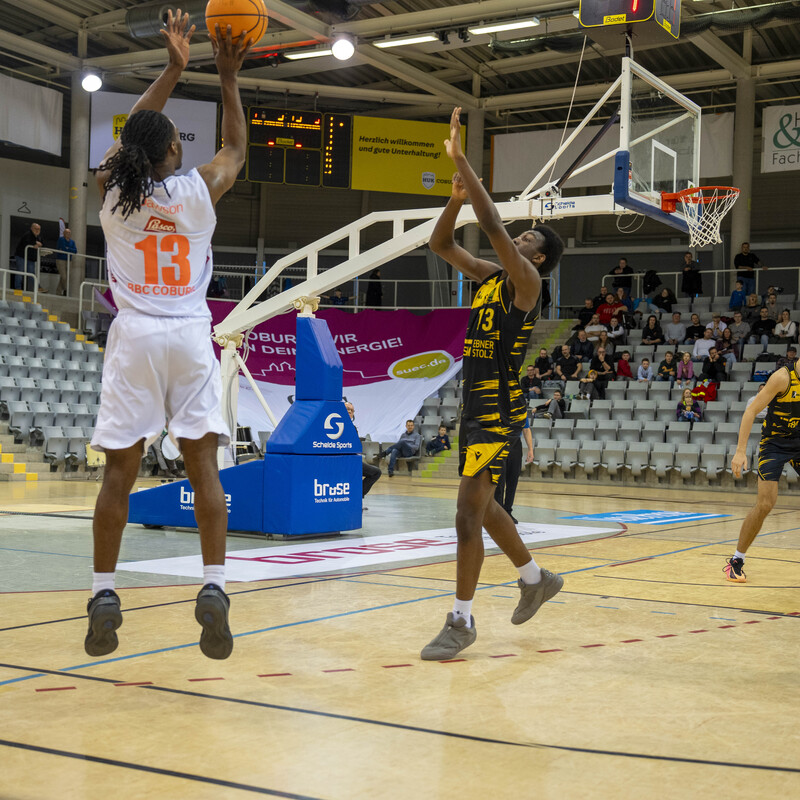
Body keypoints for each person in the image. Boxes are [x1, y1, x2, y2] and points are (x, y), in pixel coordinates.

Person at [84, 14, 253, 661]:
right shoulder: (197, 191)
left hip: (134, 338)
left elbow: (129, 135)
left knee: (118, 475)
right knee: (203, 466)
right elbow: (235, 149)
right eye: (177, 141)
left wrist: (174, 68)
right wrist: (227, 76)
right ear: (173, 156)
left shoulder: (113, 193)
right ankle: (214, 584)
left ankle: (104, 593)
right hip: (187, 334)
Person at [424, 105, 564, 660]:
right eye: (520, 235)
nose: (518, 240)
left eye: (528, 237)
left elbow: (492, 227)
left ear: (538, 256)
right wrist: (454, 198)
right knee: (483, 511)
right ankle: (534, 579)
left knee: (466, 516)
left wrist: (462, 160)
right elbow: (440, 244)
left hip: (498, 411)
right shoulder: (489, 277)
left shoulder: (526, 283)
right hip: (473, 406)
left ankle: (461, 621)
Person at [727, 357, 800, 582]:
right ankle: (736, 560)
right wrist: (740, 451)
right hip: (774, 444)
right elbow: (750, 412)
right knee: (766, 504)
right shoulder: (782, 378)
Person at [494, 414, 533, 524]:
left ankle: (508, 511)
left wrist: (530, 449)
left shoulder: (521, 411)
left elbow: (526, 430)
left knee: (513, 480)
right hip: (499, 443)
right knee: (500, 482)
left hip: (515, 445)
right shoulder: (499, 407)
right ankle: (498, 512)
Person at [344, 402, 381, 508]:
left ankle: (357, 497)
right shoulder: (336, 426)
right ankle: (356, 498)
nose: (349, 411)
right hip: (344, 460)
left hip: (353, 459)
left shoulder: (353, 427)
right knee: (374, 473)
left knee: (376, 472)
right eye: (347, 409)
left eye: (352, 410)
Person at [13, 221, 43, 291]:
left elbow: (42, 243)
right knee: (20, 272)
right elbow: (27, 242)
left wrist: (38, 244)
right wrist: (35, 243)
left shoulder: (38, 237)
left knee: (32, 274)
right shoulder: (27, 234)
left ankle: (38, 288)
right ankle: (18, 288)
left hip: (30, 258)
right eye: (35, 228)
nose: (37, 230)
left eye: (38, 229)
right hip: (21, 256)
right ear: (31, 228)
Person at [55, 226, 77, 296]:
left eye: (69, 233)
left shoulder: (72, 242)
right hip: (61, 260)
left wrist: (68, 249)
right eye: (67, 233)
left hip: (69, 260)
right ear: (64, 233)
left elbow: (75, 251)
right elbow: (63, 248)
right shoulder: (61, 239)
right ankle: (65, 289)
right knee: (64, 276)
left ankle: (58, 292)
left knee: (66, 277)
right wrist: (69, 249)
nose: (68, 234)